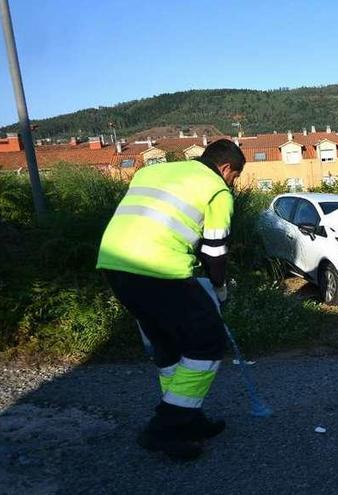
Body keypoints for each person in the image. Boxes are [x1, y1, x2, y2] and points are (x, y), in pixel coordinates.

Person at [96, 139, 245, 459]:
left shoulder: (155, 171)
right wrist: (219, 289)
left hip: (114, 264)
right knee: (208, 341)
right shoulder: (217, 189)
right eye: (236, 176)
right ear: (225, 168)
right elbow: (215, 249)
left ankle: (187, 418)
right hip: (158, 268)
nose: (234, 183)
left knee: (168, 342)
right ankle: (164, 427)